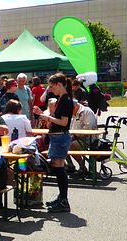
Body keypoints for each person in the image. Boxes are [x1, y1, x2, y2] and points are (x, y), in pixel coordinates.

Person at [33, 74, 74, 213]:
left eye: (51, 86)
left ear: (59, 84)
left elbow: (64, 122)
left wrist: (45, 117)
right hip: (57, 136)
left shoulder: (66, 99)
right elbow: (57, 119)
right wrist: (44, 115)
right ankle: (61, 198)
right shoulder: (61, 99)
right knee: (58, 168)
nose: (50, 89)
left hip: (61, 137)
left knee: (59, 169)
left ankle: (64, 200)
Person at [69, 101, 98, 175]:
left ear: (75, 107)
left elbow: (89, 128)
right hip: (75, 137)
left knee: (69, 146)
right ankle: (69, 166)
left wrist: (75, 134)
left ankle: (82, 167)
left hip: (88, 139)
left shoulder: (87, 112)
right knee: (59, 144)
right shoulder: (72, 113)